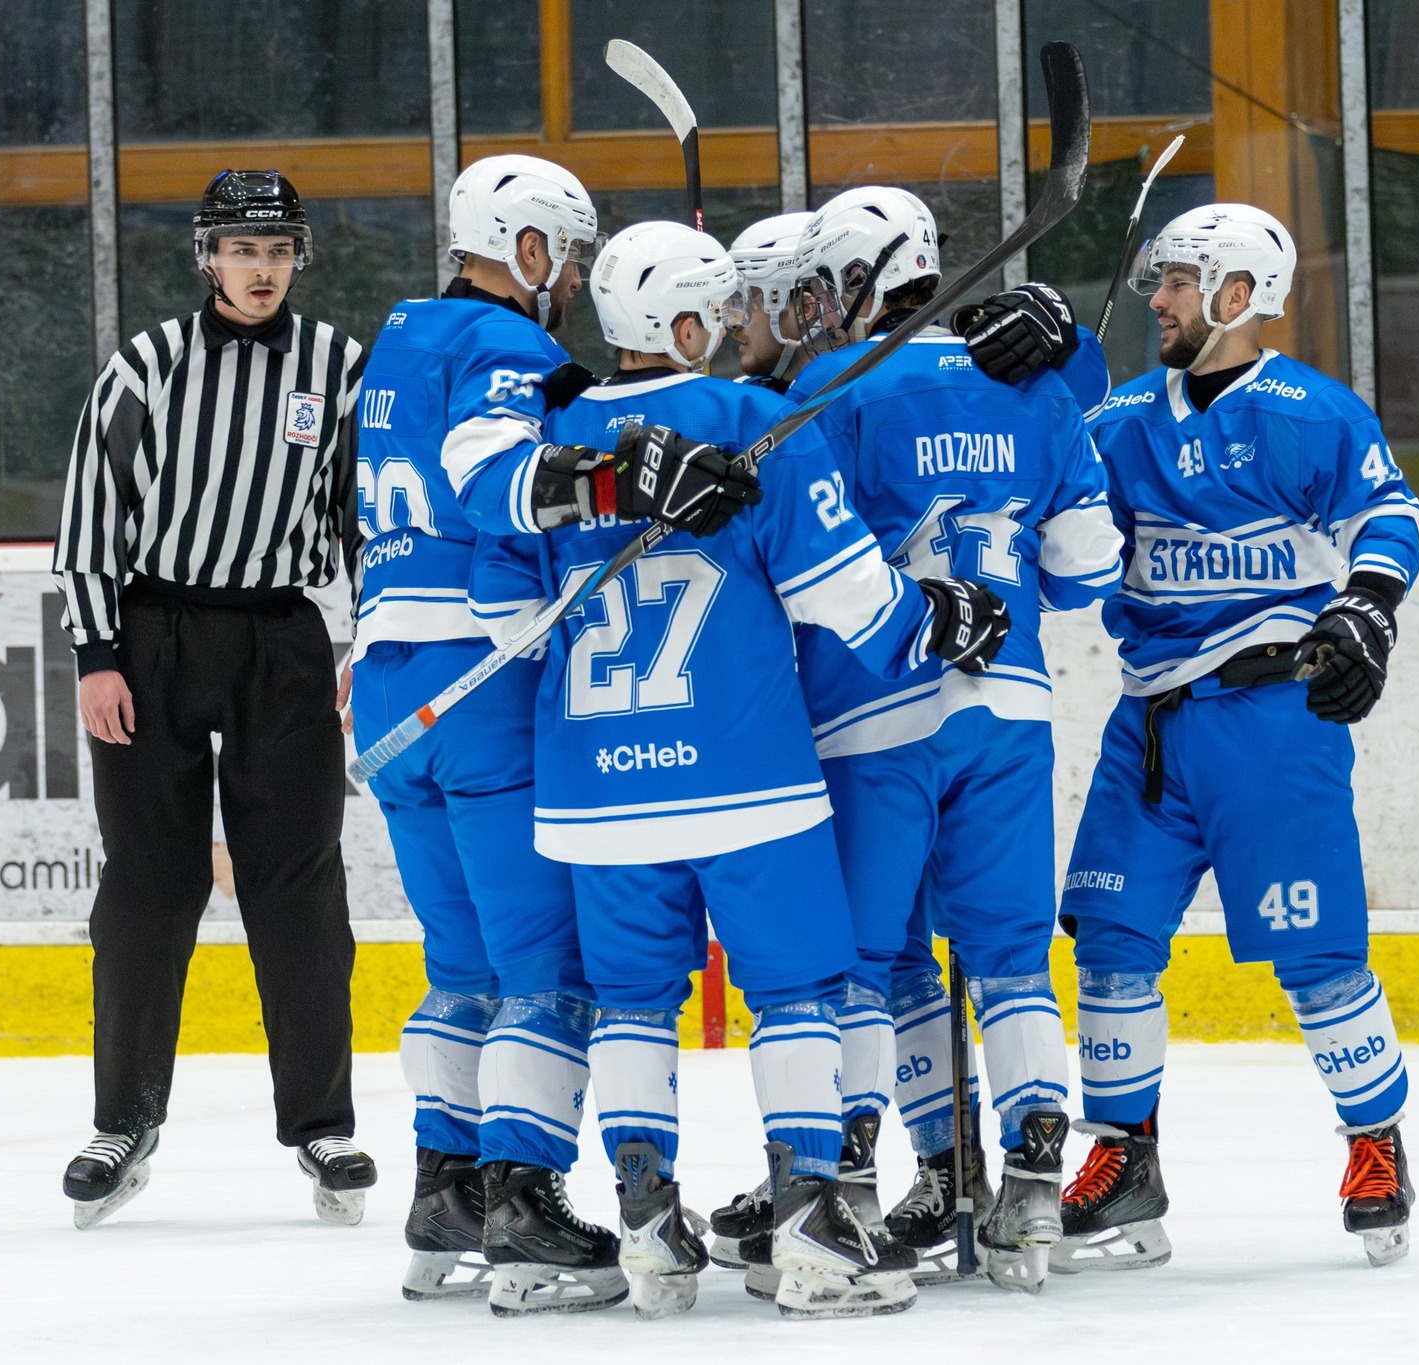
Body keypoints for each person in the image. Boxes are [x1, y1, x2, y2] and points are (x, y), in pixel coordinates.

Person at [468, 219, 1009, 1319]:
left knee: (631, 1001)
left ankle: (647, 1226)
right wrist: (943, 617)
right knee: (799, 991)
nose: (731, 324)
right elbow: (852, 601)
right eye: (716, 308)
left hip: (598, 795)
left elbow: (504, 617)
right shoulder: (756, 423)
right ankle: (811, 1226)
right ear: (680, 321)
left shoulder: (554, 445)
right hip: (746, 781)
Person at [768, 186, 1125, 1294]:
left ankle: (852, 1185)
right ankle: (1031, 1183)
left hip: (871, 711)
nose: (816, 308)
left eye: (825, 285)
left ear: (861, 278)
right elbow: (1088, 570)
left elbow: (792, 561)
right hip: (1008, 712)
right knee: (1011, 956)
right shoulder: (1035, 391)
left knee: (866, 963)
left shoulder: (833, 386)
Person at [1055, 203, 1419, 1274]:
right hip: (1149, 723)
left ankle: (1375, 1143)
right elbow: (1057, 523)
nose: (1158, 300)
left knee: (1315, 954)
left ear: (1237, 292)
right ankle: (1125, 1157)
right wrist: (1038, 403)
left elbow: (1384, 516)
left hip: (1271, 721)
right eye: (1159, 281)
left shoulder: (1310, 412)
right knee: (1110, 941)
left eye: (1178, 281)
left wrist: (1364, 609)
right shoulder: (1119, 419)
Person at [347, 153, 671, 1313]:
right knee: (547, 969)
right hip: (477, 680)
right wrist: (611, 465)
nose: (573, 280)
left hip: (387, 687)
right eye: (566, 256)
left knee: (463, 967)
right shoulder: (506, 346)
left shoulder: (396, 341)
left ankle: (446, 1193)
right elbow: (490, 478)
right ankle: (524, 1204)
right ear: (525, 245)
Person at [52, 170, 373, 1230]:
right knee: (148, 882)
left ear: (297, 257)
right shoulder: (146, 364)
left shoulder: (339, 368)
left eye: (278, 250)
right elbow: (90, 512)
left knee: (301, 886)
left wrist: (370, 638)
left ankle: (323, 1124)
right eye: (243, 250)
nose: (261, 269)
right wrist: (97, 653)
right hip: (154, 636)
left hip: (283, 637)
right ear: (207, 257)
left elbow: (365, 518)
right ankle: (123, 1118)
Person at [726, 211, 814, 392]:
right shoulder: (742, 394)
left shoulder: (850, 396)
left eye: (748, 306)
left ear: (804, 309)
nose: (733, 324)